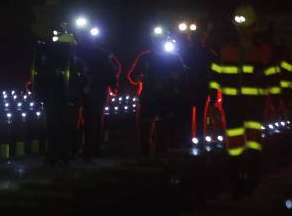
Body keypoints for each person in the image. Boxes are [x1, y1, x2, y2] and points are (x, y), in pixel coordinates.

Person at [209, 5, 276, 195]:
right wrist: (214, 103)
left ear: (255, 27)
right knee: (235, 148)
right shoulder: (226, 50)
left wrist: (277, 103)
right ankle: (237, 187)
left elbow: (272, 79)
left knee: (254, 146)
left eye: (247, 27)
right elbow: (215, 78)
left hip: (255, 107)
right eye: (241, 27)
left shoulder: (264, 52)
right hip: (233, 107)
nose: (244, 31)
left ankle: (252, 184)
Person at [128, 26, 188, 155]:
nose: (157, 42)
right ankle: (144, 154)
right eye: (155, 40)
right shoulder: (145, 58)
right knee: (144, 128)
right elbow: (133, 76)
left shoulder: (173, 58)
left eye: (160, 40)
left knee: (163, 130)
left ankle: (161, 154)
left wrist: (174, 78)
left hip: (166, 98)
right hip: (148, 98)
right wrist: (137, 77)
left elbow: (184, 75)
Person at [31, 26, 86, 166]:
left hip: (61, 99)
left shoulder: (72, 62)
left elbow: (81, 79)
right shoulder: (69, 61)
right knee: (61, 127)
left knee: (58, 127)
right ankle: (59, 153)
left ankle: (59, 153)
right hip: (60, 99)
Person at [77, 27, 119, 160]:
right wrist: (113, 86)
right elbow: (113, 70)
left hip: (93, 91)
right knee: (93, 121)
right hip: (92, 91)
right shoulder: (99, 52)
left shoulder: (84, 52)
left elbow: (112, 69)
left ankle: (89, 149)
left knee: (89, 121)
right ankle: (92, 149)